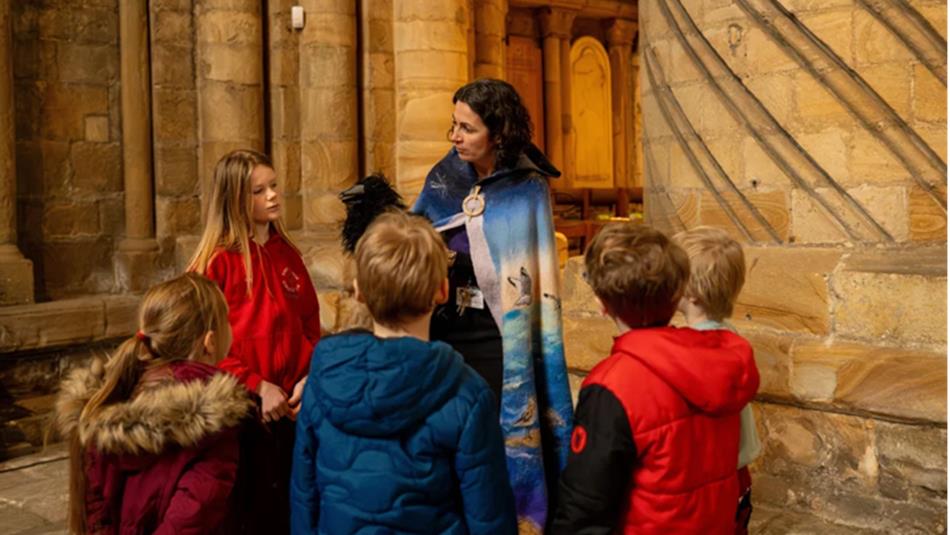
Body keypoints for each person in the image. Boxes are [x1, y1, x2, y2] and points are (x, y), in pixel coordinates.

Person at [412, 78, 573, 532]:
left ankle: (509, 516)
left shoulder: (527, 187)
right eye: (453, 125)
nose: (455, 137)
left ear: (498, 133)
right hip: (448, 328)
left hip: (504, 336)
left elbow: (531, 268)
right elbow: (415, 232)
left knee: (495, 431)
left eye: (467, 129)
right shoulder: (444, 175)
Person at [290, 211, 516, 534]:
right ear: (442, 290)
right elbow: (490, 519)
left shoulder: (322, 382)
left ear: (359, 292)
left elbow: (303, 499)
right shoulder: (468, 395)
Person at [551, 223, 760, 534]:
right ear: (678, 293)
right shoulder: (721, 358)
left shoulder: (613, 385)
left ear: (601, 304)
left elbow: (587, 501)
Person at [55, 273, 253, 534]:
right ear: (210, 341)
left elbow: (96, 511)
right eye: (227, 320)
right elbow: (194, 516)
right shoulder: (214, 423)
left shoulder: (107, 402)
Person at [188, 148, 321, 531]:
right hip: (242, 409)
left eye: (274, 185)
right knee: (251, 513)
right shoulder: (216, 262)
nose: (273, 196)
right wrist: (257, 386)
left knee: (292, 508)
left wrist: (306, 377)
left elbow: (310, 326)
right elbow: (201, 344)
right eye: (258, 191)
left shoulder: (288, 254)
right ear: (234, 199)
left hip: (292, 405)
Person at [673, 226, 762, 534]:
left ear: (690, 292)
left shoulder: (687, 350)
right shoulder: (731, 336)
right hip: (737, 470)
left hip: (707, 475)